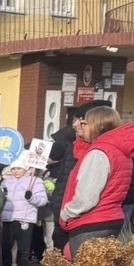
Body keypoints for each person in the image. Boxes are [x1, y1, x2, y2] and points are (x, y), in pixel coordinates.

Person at [58, 107, 134, 257]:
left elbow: (87, 197)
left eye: (84, 123)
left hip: (91, 222)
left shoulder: (99, 152)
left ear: (96, 125)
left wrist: (67, 213)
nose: (79, 126)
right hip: (111, 218)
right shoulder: (120, 150)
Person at [0, 164, 48, 266]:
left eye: (19, 168)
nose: (16, 171)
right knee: (6, 245)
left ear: (26, 168)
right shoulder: (6, 182)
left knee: (23, 246)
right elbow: (1, 197)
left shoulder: (35, 181)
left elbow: (42, 200)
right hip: (8, 217)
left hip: (24, 217)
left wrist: (31, 198)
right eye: (13, 168)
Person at [48, 107, 86, 250]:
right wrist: (58, 210)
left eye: (79, 121)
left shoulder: (99, 151)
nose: (75, 124)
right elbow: (62, 181)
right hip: (63, 214)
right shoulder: (71, 148)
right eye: (74, 120)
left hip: (84, 220)